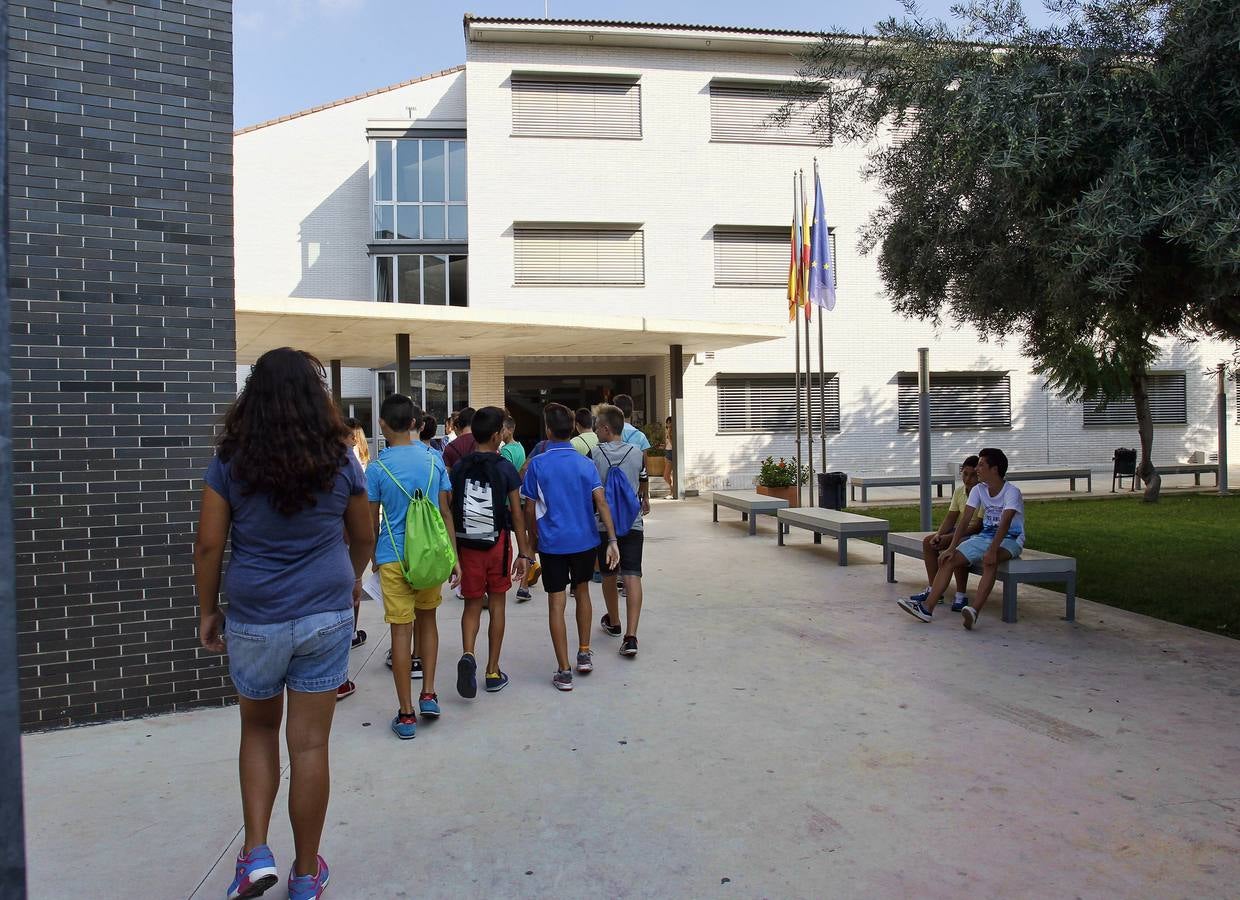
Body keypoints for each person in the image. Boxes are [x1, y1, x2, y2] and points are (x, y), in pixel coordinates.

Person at [195, 347, 375, 900]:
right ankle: (303, 874)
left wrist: (207, 609)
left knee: (257, 729)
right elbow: (365, 533)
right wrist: (349, 579)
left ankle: (254, 855)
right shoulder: (340, 458)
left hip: (254, 616)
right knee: (311, 746)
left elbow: (208, 545)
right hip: (324, 613)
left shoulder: (232, 459)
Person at [369, 393, 461, 738]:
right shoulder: (435, 460)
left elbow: (370, 524)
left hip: (392, 557)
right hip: (431, 556)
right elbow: (444, 512)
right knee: (429, 621)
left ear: (381, 425)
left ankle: (406, 713)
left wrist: (372, 561)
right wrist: (454, 557)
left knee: (400, 632)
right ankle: (430, 694)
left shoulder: (377, 468)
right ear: (414, 424)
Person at [521, 402, 620, 691]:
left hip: (551, 544)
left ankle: (564, 670)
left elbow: (529, 508)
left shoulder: (538, 464)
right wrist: (612, 540)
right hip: (585, 541)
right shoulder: (585, 464)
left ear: (548, 430)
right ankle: (584, 652)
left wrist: (531, 541)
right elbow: (601, 503)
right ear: (571, 429)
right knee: (583, 591)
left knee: (556, 601)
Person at [448, 406, 532, 697]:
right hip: (497, 546)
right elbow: (517, 514)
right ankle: (492, 671)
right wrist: (524, 552)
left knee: (472, 605)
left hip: (467, 546)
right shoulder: (505, 468)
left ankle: (468, 653)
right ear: (497, 435)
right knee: (497, 605)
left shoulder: (459, 466)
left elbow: (448, 506)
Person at [897, 447, 1025, 629]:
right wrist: (951, 548)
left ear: (994, 469)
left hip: (1011, 539)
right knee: (949, 560)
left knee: (991, 561)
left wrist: (993, 549)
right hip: (985, 537)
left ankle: (974, 611)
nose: (977, 469)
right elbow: (964, 521)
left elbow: (1005, 523)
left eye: (981, 465)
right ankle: (926, 608)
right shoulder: (979, 490)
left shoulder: (1012, 492)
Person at [591, 404, 647, 656]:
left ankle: (614, 622)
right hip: (633, 523)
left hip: (605, 524)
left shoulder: (594, 453)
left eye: (597, 427)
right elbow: (642, 486)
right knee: (633, 575)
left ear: (605, 428)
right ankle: (631, 636)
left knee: (609, 575)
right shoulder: (637, 453)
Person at [906, 456, 981, 614]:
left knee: (958, 549)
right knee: (929, 542)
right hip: (960, 530)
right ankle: (934, 590)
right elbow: (951, 517)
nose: (968, 479)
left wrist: (951, 538)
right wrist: (940, 534)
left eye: (973, 475)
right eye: (965, 474)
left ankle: (961, 595)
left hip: (976, 533)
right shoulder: (960, 491)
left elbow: (977, 527)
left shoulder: (982, 492)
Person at [663, 415, 675, 500]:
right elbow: (668, 443)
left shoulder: (672, 432)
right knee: (668, 475)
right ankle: (672, 491)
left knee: (666, 475)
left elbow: (673, 444)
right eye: (667, 423)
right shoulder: (668, 431)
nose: (668, 425)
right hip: (667, 452)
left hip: (671, 453)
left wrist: (669, 435)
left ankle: (673, 491)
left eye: (669, 423)